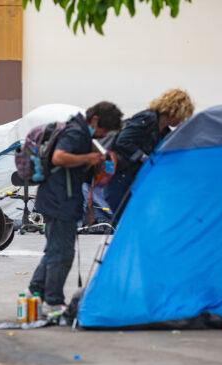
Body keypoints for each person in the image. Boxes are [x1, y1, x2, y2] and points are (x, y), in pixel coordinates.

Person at [29, 101, 123, 317]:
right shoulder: (76, 132)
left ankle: (35, 292)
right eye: (103, 130)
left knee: (54, 249)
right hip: (59, 200)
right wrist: (88, 157)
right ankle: (53, 302)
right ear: (95, 120)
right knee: (62, 253)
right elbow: (59, 157)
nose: (102, 135)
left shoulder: (78, 131)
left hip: (57, 198)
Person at [104, 88, 194, 218]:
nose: (182, 120)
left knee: (133, 218)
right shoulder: (148, 118)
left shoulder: (164, 132)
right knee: (126, 217)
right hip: (120, 178)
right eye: (182, 115)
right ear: (175, 110)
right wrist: (143, 157)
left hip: (132, 180)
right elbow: (123, 141)